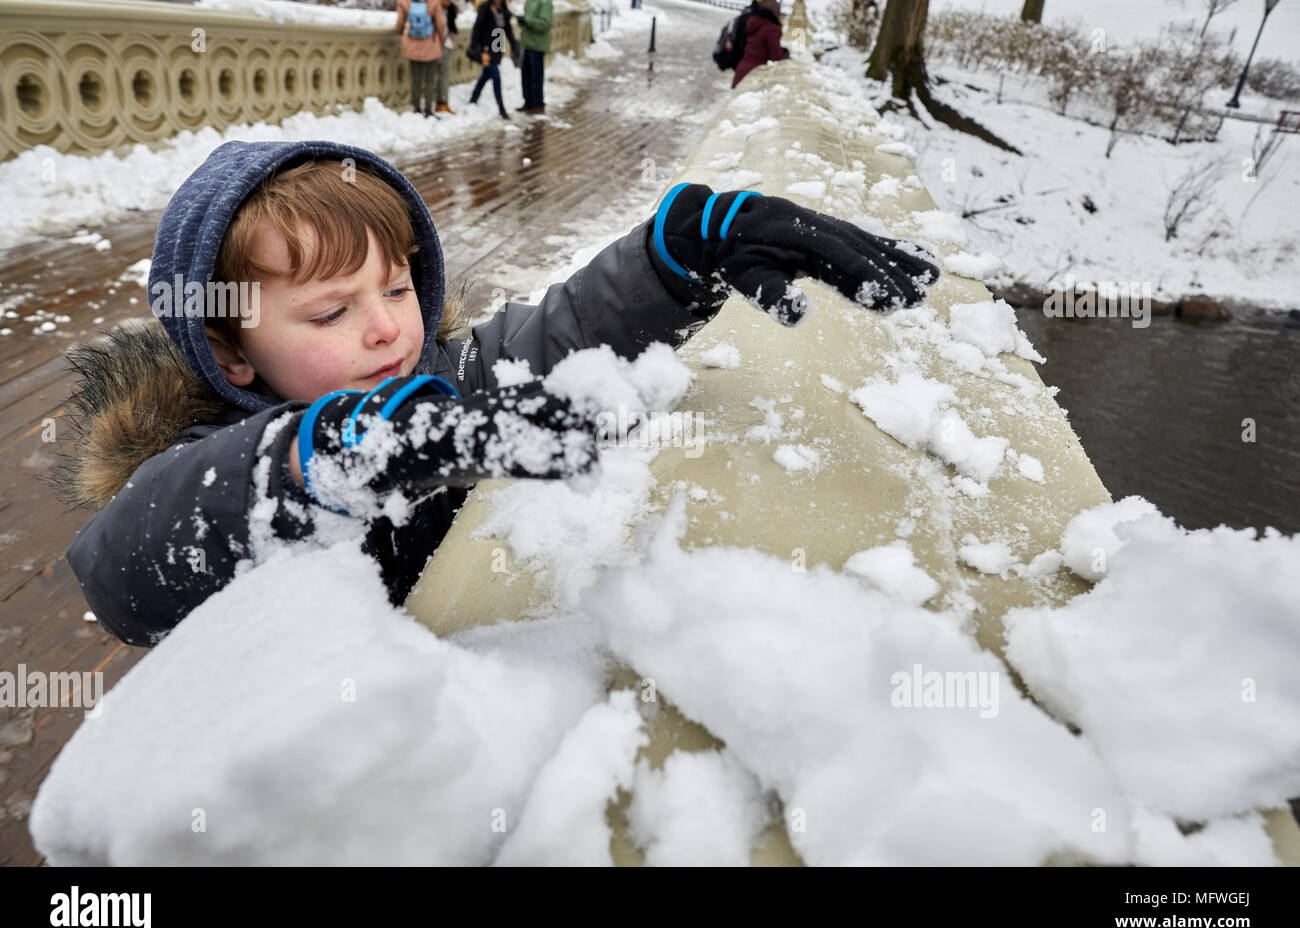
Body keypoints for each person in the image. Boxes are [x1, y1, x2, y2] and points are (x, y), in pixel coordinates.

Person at [54, 141, 940, 647]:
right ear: (232, 353)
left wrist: (679, 253)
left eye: (397, 290)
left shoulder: (435, 382)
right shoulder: (191, 478)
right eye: (331, 310)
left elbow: (553, 335)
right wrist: (335, 451)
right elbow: (128, 567)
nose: (386, 331)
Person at [466, 0, 519, 120]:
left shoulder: (502, 9)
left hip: (497, 49)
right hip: (486, 50)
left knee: (486, 75)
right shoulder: (485, 8)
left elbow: (507, 29)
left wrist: (514, 45)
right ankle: (502, 109)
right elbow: (477, 30)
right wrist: (482, 51)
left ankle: (473, 99)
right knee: (496, 77)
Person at [396, 0, 449, 118]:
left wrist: (400, 32)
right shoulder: (434, 2)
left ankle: (416, 108)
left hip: (412, 44)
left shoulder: (404, 2)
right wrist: (440, 41)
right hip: (431, 44)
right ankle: (428, 109)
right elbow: (441, 24)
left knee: (416, 79)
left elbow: (400, 22)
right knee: (430, 80)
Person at [733, 0, 789, 90]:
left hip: (741, 69)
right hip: (754, 74)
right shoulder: (772, 29)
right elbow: (776, 57)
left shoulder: (754, 22)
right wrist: (785, 54)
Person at [517, 0, 553, 114]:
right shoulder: (529, 2)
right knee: (525, 76)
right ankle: (528, 102)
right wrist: (522, 21)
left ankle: (538, 104)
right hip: (527, 44)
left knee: (536, 77)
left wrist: (527, 21)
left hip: (538, 46)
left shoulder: (545, 2)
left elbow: (545, 24)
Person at [433, 0, 460, 114]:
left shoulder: (449, 9)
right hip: (438, 44)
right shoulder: (436, 7)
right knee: (441, 74)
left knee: (443, 73)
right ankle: (441, 102)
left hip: (444, 44)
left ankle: (442, 102)